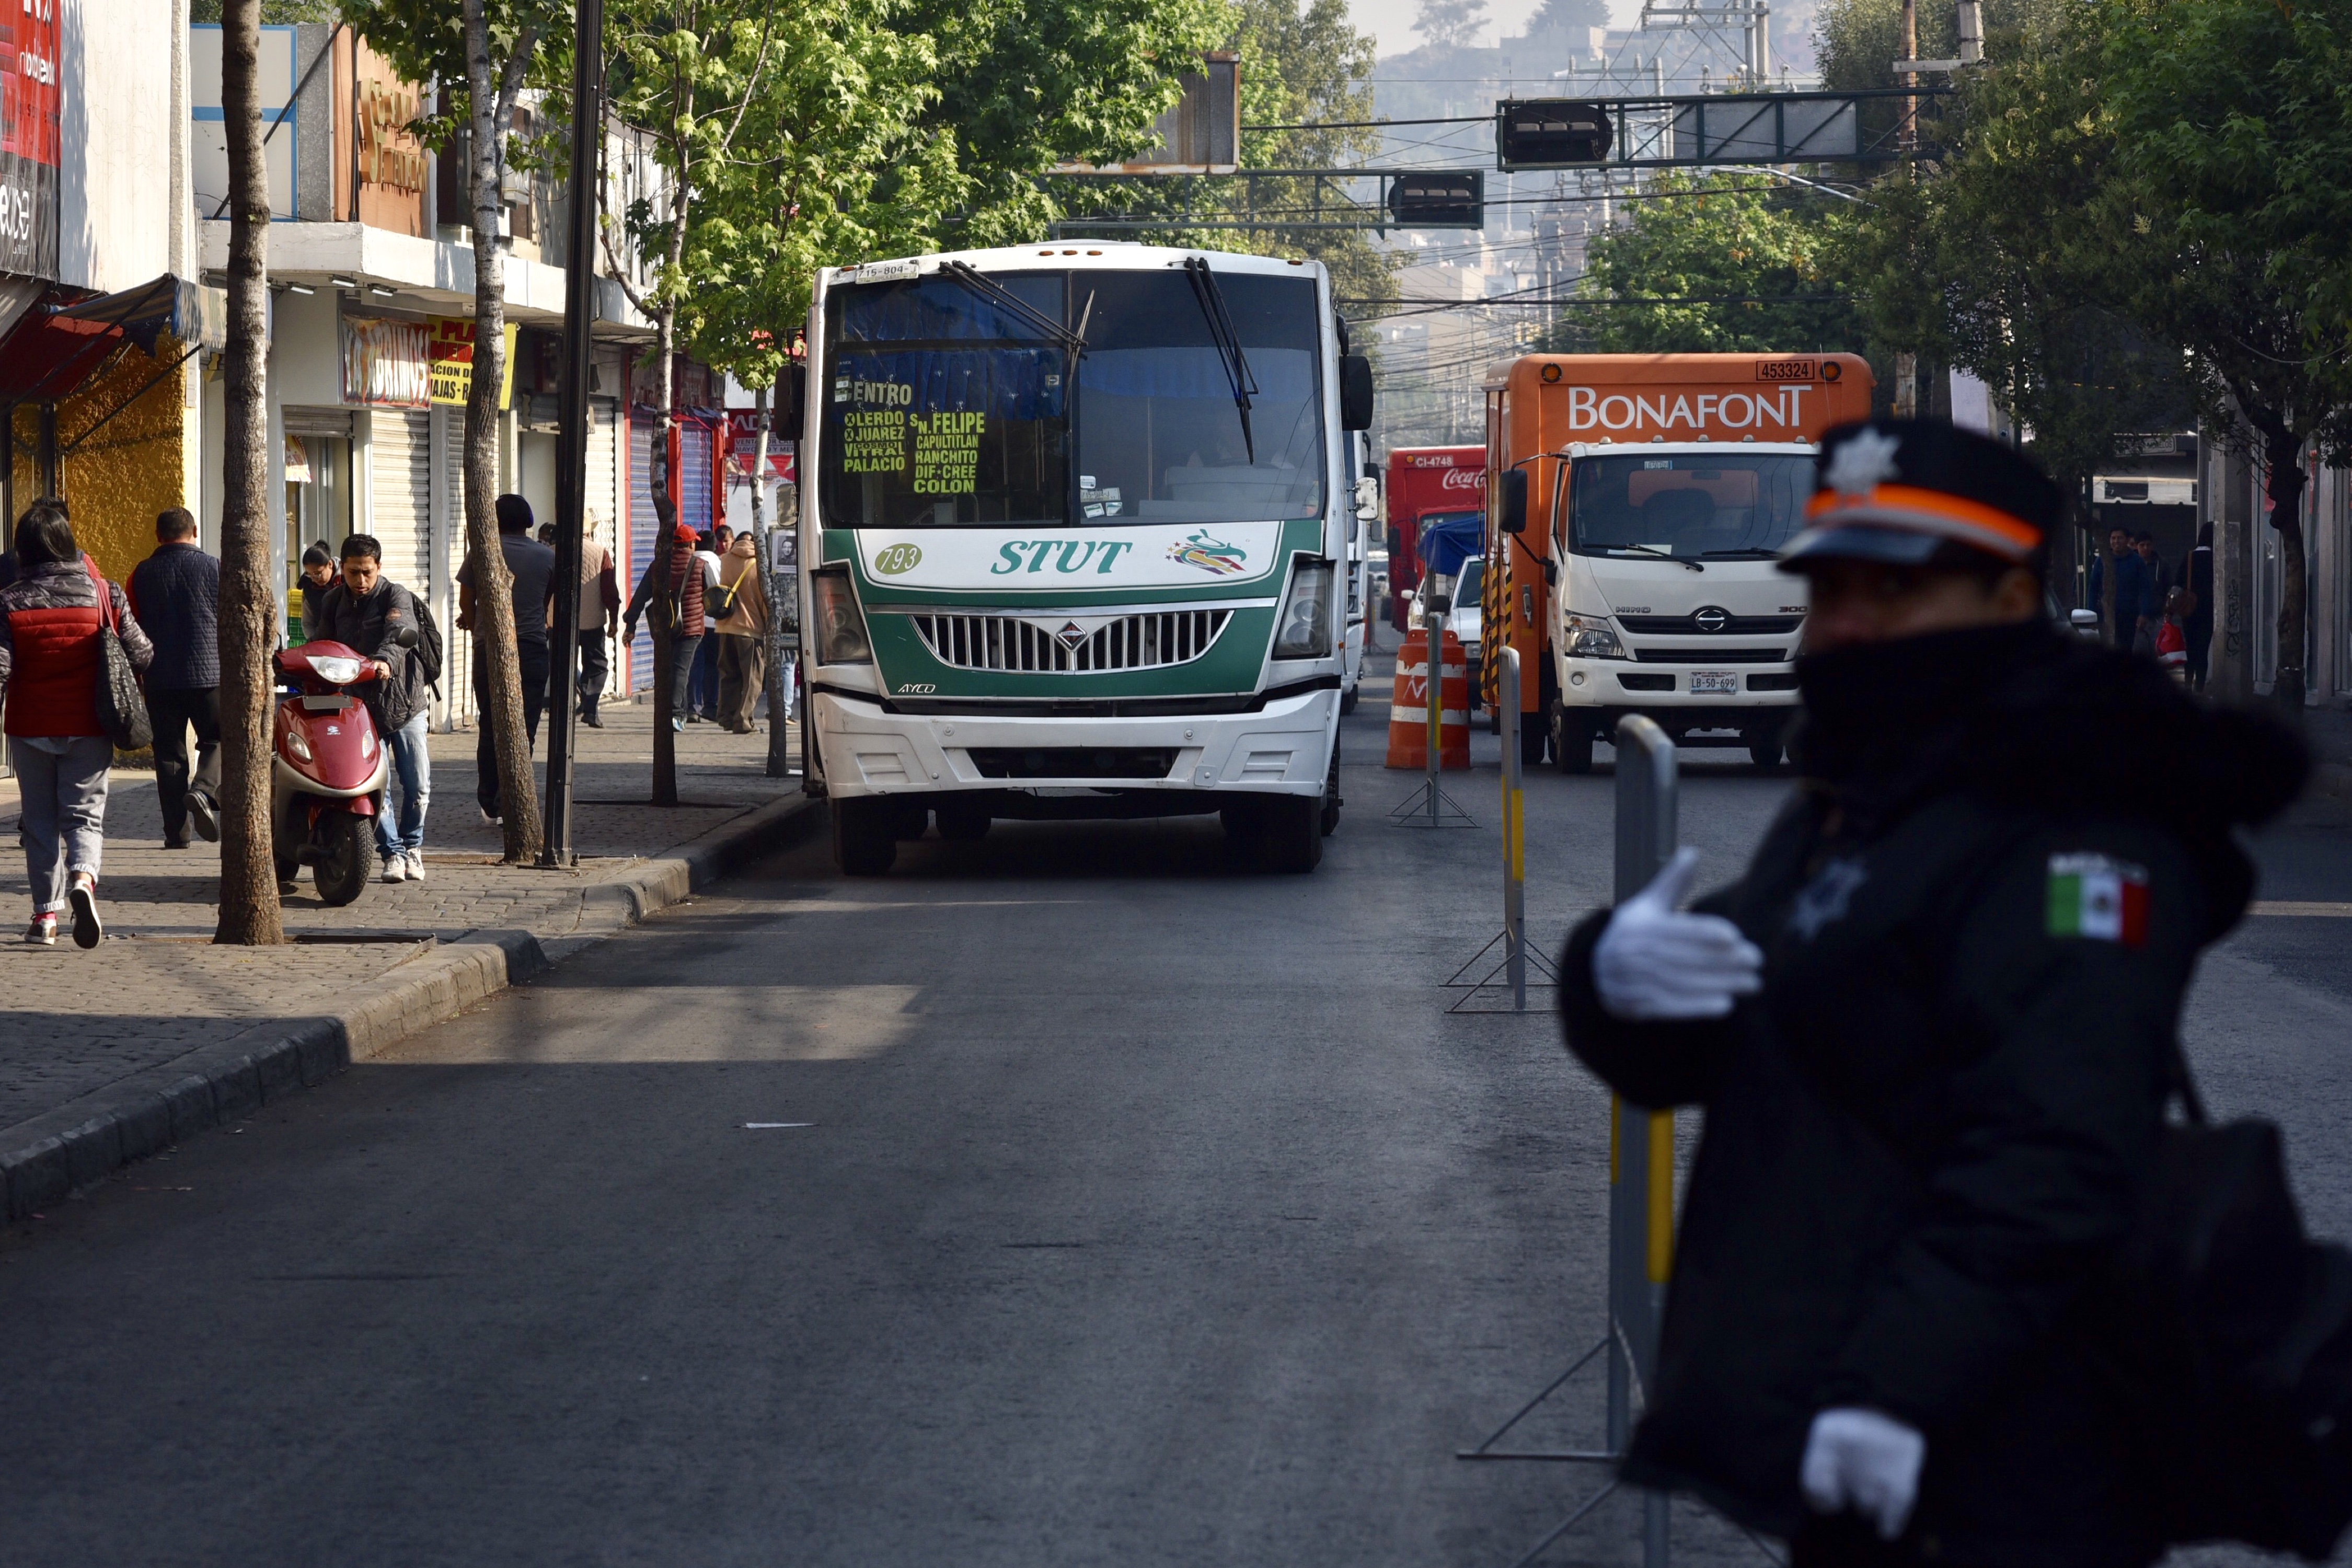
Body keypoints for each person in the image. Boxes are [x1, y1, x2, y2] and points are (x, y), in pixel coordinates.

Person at [1556, 420, 2307, 1568]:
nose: (1845, 626)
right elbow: (1739, 1038)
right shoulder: (1865, 780)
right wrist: (1613, 981)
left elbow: (2051, 1156)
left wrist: (1895, 1390)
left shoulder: (2082, 826)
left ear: (2008, 602)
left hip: (2003, 1443)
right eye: (1830, 588)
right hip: (1853, 1404)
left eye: (1891, 594)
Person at [0, 502, 155, 947]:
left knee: (39, 821)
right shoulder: (104, 593)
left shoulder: (9, 601)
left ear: (23, 550)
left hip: (31, 725)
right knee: (84, 816)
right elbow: (143, 653)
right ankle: (84, 880)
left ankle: (45, 917)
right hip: (90, 722)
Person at [311, 534, 433, 883]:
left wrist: (384, 662)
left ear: (379, 567)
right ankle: (392, 853)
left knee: (419, 785)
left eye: (367, 572)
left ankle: (413, 846)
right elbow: (324, 645)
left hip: (405, 704)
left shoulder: (396, 596)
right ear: (342, 569)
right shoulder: (333, 600)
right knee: (376, 787)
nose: (360, 581)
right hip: (358, 710)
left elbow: (400, 633)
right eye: (353, 573)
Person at [456, 493, 557, 826]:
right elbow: (544, 602)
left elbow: (465, 602)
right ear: (528, 522)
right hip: (531, 647)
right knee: (524, 726)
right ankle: (512, 796)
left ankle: (489, 800)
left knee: (490, 722)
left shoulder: (482, 554)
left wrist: (477, 629)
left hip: (490, 649)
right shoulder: (546, 556)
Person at [126, 508, 222, 848]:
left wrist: (139, 673)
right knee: (220, 739)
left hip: (159, 677)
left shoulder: (140, 575)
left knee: (168, 754)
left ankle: (176, 835)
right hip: (209, 675)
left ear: (158, 536)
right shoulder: (214, 567)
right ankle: (204, 790)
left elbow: (131, 626)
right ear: (194, 531)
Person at [622, 523, 707, 734]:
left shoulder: (658, 566)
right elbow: (712, 595)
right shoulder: (700, 565)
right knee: (681, 670)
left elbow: (640, 597)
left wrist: (630, 625)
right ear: (690, 544)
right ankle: (676, 715)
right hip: (691, 628)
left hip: (665, 627)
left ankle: (674, 713)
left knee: (668, 669)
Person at [711, 528, 768, 734]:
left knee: (729, 674)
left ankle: (726, 717)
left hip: (725, 627)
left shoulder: (725, 559)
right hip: (750, 630)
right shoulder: (760, 564)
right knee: (753, 678)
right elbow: (764, 599)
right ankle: (744, 720)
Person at [688, 526, 727, 722]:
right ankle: (710, 706)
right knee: (713, 665)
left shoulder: (691, 561)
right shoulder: (719, 563)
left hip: (693, 622)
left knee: (695, 664)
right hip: (714, 623)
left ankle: (693, 708)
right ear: (715, 546)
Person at [2185, 522, 2215, 689]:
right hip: (2209, 610)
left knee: (2190, 647)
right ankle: (2200, 686)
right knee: (2203, 649)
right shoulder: (2216, 559)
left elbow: (2178, 583)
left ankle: (2188, 682)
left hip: (2189, 610)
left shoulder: (2189, 557)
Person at [298, 543, 336, 641]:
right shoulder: (309, 587)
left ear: (330, 564)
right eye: (310, 575)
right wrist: (315, 642)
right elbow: (307, 623)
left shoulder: (346, 579)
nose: (314, 579)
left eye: (318, 574)